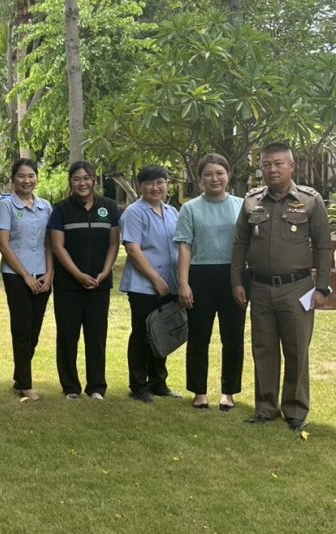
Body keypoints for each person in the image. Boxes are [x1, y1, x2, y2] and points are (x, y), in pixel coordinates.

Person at [231, 143, 332, 431]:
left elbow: (323, 246)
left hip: (297, 287)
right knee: (263, 348)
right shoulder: (252, 201)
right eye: (267, 165)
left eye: (278, 164)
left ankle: (295, 410)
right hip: (260, 287)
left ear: (291, 166)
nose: (272, 170)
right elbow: (240, 243)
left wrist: (322, 287)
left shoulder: (310, 201)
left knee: (297, 349)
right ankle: (265, 407)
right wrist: (236, 281)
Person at [174, 154, 246, 412]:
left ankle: (229, 392)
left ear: (228, 175)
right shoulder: (190, 208)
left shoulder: (242, 206)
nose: (214, 178)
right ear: (200, 179)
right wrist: (184, 284)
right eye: (208, 174)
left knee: (233, 337)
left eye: (219, 173)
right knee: (199, 336)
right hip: (200, 276)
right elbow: (184, 247)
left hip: (234, 277)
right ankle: (199, 391)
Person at [49, 161, 120, 401]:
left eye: (86, 178)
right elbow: (58, 246)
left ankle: (96, 387)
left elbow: (114, 243)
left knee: (96, 336)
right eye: (77, 178)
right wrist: (78, 275)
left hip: (100, 284)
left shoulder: (109, 207)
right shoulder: (61, 209)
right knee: (67, 335)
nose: (82, 183)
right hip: (68, 285)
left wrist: (105, 272)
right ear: (71, 181)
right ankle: (70, 387)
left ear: (94, 180)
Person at [119, 165, 182, 404]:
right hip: (144, 286)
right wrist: (156, 279)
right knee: (143, 334)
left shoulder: (172, 212)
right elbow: (133, 249)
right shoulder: (134, 212)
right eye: (149, 183)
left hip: (170, 283)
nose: (155, 188)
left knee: (162, 332)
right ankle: (138, 385)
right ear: (140, 186)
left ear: (167, 184)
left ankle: (158, 382)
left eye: (160, 182)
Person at [0, 158, 54, 401]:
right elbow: (3, 244)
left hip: (42, 275)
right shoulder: (6, 206)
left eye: (31, 175)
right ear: (13, 180)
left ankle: (20, 376)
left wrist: (49, 273)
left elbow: (50, 243)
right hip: (16, 275)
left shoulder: (45, 207)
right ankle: (25, 384)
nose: (26, 180)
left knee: (34, 331)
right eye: (21, 176)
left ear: (36, 178)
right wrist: (26, 276)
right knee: (22, 329)